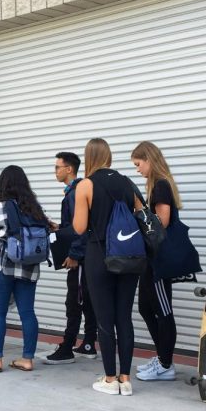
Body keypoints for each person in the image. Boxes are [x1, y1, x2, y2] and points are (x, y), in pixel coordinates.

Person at [73, 139, 143, 396]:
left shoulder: (86, 185)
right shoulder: (127, 181)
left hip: (100, 254)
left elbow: (80, 227)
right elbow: (140, 214)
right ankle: (126, 379)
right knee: (124, 316)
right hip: (129, 256)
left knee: (105, 318)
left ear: (89, 157)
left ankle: (110, 379)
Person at [0, 165, 48, 373]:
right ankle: (27, 359)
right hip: (29, 266)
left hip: (4, 266)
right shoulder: (34, 207)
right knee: (27, 313)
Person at [131, 141, 182, 381]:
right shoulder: (157, 186)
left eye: (138, 164)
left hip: (159, 260)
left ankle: (165, 363)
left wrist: (139, 210)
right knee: (145, 307)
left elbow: (161, 221)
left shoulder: (161, 186)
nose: (137, 169)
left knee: (163, 310)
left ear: (149, 160)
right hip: (150, 259)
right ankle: (163, 357)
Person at [43, 151, 97, 365]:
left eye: (58, 167)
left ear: (69, 169)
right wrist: (58, 227)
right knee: (87, 302)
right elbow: (74, 226)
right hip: (85, 256)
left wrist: (74, 255)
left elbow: (81, 230)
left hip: (81, 258)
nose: (55, 171)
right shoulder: (73, 192)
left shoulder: (75, 192)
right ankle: (88, 343)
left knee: (74, 302)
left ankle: (67, 348)